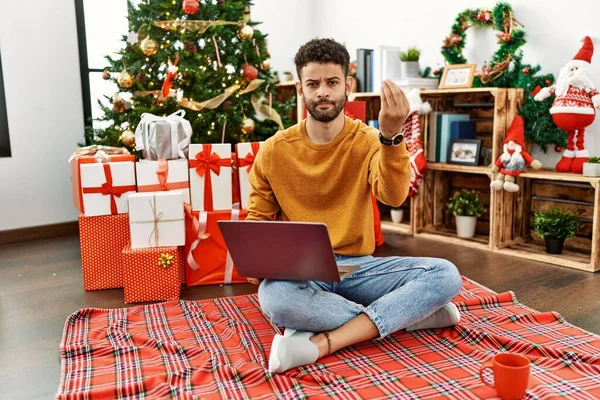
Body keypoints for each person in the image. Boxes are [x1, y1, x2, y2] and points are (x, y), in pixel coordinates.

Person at [245, 38, 463, 374]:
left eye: (332, 83)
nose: (323, 92)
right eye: (313, 83)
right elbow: (257, 220)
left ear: (347, 85)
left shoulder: (367, 140)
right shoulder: (274, 151)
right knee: (275, 298)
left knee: (445, 275)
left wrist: (391, 137)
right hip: (303, 275)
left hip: (358, 269)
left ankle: (325, 341)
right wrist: (256, 261)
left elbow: (394, 197)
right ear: (299, 88)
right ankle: (408, 314)